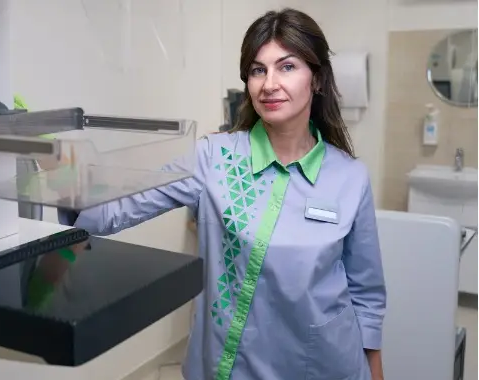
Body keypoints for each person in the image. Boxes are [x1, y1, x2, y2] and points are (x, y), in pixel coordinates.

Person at [58, 7, 386, 380]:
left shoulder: (350, 177)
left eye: (287, 67)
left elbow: (366, 292)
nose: (269, 83)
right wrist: (57, 177)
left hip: (325, 365)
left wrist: (374, 371)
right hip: (232, 366)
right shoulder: (214, 158)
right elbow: (118, 207)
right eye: (258, 70)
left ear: (318, 79)